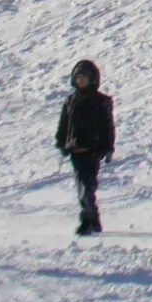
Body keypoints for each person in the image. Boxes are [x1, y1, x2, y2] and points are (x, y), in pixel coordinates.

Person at [55, 58, 115, 235]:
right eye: (78, 77)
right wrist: (61, 142)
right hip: (76, 150)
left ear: (92, 79)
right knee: (82, 187)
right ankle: (92, 220)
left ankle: (88, 220)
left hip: (92, 150)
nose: (80, 81)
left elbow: (108, 126)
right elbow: (64, 124)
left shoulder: (100, 101)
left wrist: (108, 147)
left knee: (87, 188)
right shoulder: (70, 100)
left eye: (84, 77)